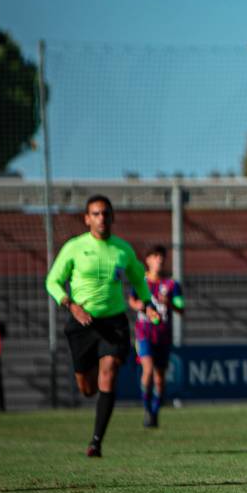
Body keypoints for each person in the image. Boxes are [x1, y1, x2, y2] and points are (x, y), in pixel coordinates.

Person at [45, 195, 156, 457]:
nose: (101, 218)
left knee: (110, 371)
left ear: (112, 216)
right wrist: (71, 305)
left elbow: (138, 279)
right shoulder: (74, 247)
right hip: (82, 322)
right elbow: (52, 281)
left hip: (114, 322)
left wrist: (147, 303)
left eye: (105, 213)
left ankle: (96, 442)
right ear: (87, 219)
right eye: (95, 214)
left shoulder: (122, 249)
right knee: (87, 388)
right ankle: (90, 380)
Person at [133, 244, 184, 428]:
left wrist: (169, 303)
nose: (159, 260)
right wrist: (139, 305)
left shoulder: (171, 285)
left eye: (161, 257)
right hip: (144, 333)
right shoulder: (141, 282)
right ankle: (147, 409)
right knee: (147, 369)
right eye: (155, 256)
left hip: (163, 336)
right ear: (148, 260)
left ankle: (154, 412)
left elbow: (181, 308)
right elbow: (132, 300)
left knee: (160, 379)